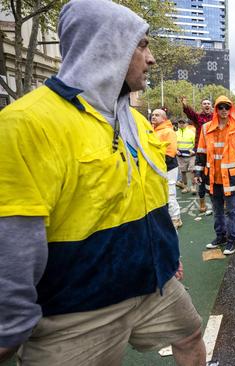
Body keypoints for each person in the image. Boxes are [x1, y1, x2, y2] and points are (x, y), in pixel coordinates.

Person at [0, 1, 205, 364]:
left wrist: (168, 255)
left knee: (190, 335)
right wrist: (9, 326)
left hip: (153, 286)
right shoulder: (26, 123)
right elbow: (14, 238)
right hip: (77, 312)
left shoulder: (137, 123)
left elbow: (153, 196)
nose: (152, 58)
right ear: (107, 45)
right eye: (142, 45)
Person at [196, 96, 235, 255]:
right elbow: (201, 152)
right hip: (212, 178)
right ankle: (220, 237)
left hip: (231, 179)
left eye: (226, 107)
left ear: (230, 109)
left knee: (231, 211)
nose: (224, 110)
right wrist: (198, 172)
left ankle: (232, 240)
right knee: (217, 210)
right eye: (220, 107)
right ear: (216, 109)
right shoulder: (206, 128)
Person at [151, 108, 182, 229]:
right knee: (160, 193)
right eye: (153, 115)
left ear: (164, 118)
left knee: (170, 193)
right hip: (157, 166)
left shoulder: (168, 131)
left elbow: (171, 152)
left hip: (168, 166)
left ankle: (176, 218)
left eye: (157, 115)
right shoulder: (152, 130)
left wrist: (159, 163)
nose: (153, 117)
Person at [181, 95, 213, 213]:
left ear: (211, 106)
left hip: (215, 150)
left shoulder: (216, 117)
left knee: (218, 175)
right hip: (201, 151)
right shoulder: (198, 117)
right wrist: (185, 104)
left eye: (208, 103)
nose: (206, 105)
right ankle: (202, 203)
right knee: (201, 177)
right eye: (204, 103)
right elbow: (190, 113)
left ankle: (222, 201)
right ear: (202, 106)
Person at [176, 118, 197, 194]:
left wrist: (194, 151)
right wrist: (176, 150)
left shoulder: (191, 133)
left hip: (191, 156)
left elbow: (196, 144)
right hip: (180, 156)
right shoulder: (175, 133)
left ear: (187, 124)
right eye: (180, 123)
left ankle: (193, 187)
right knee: (183, 172)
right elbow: (173, 144)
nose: (181, 124)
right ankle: (186, 187)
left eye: (183, 123)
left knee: (192, 171)